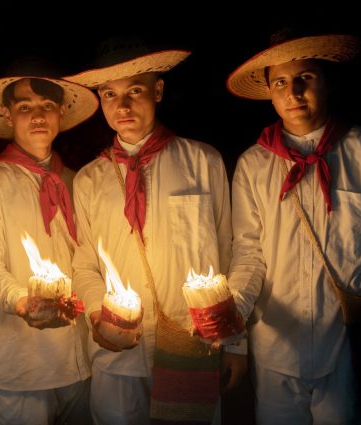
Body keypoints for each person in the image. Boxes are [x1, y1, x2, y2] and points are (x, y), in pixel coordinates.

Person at [225, 28, 361, 424]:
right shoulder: (253, 165)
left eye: (304, 78)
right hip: (277, 346)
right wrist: (232, 319)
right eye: (280, 82)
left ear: (326, 81)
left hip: (350, 344)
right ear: (270, 93)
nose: (293, 92)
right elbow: (249, 252)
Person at [66, 38, 242, 425]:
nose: (122, 105)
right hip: (118, 354)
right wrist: (99, 316)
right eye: (110, 94)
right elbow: (84, 266)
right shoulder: (90, 179)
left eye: (135, 91)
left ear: (158, 91)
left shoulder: (203, 161)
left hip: (192, 342)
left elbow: (229, 255)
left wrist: (236, 344)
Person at [0, 59, 99, 424]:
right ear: (8, 115)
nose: (37, 116)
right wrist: (22, 301)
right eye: (25, 107)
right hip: (19, 366)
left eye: (46, 107)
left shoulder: (77, 181)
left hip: (80, 360)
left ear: (61, 112)